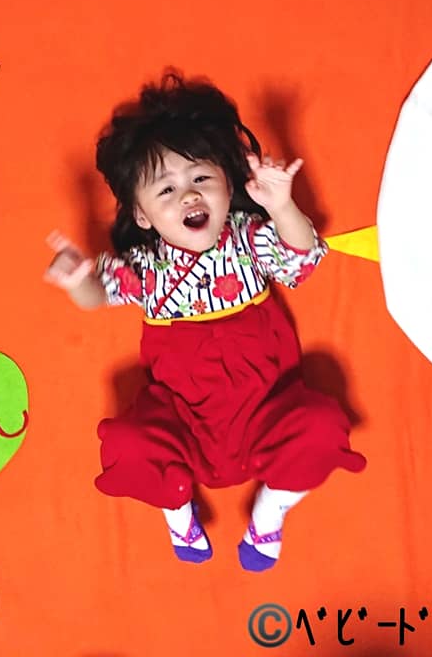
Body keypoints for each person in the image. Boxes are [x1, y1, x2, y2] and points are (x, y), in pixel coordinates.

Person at [44, 71, 366, 571]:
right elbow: (98, 295)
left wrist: (282, 206)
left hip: (268, 409)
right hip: (184, 422)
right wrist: (77, 280)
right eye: (166, 190)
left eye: (201, 179)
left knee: (323, 429)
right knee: (128, 444)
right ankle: (177, 510)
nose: (189, 196)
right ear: (144, 217)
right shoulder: (147, 266)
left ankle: (271, 509)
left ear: (228, 185)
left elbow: (303, 259)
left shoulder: (248, 237)